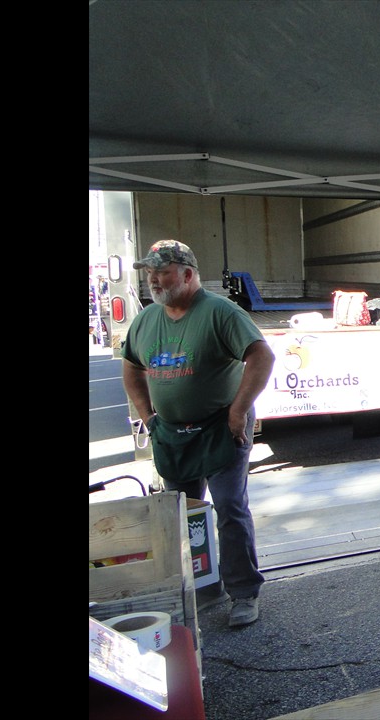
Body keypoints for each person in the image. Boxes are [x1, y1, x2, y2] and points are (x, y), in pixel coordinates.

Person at [121, 239, 275, 627]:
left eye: (163, 272)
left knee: (229, 509)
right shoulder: (145, 319)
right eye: (151, 273)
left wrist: (239, 411)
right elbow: (131, 367)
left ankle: (243, 593)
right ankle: (205, 589)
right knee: (184, 517)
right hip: (172, 434)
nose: (154, 280)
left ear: (188, 275)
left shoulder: (219, 311)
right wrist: (148, 416)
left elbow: (261, 356)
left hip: (221, 429)